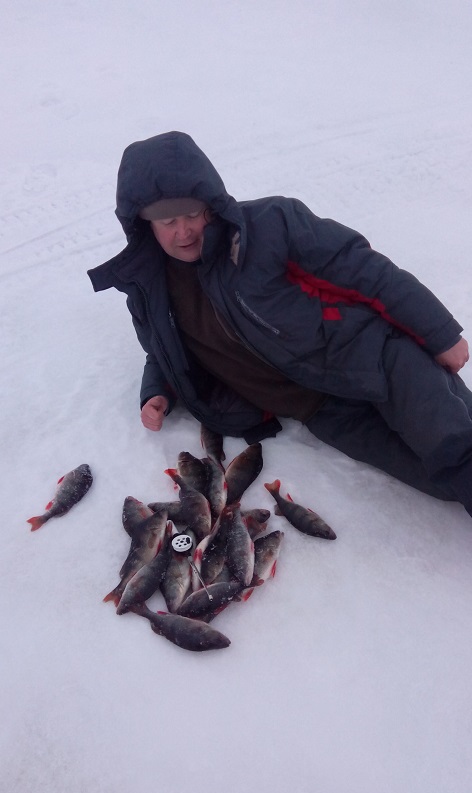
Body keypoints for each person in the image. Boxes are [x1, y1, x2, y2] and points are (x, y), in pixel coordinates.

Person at [88, 130, 472, 515]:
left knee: (455, 449)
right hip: (322, 410)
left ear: (211, 204)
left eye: (192, 214)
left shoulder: (270, 225)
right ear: (143, 224)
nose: (184, 230)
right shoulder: (150, 289)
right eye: (168, 220)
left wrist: (438, 332)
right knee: (439, 480)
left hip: (373, 357)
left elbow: (366, 271)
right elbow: (164, 350)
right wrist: (158, 390)